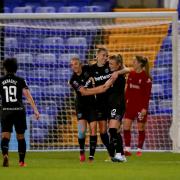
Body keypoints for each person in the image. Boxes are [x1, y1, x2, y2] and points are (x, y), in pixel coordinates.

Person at [0, 58, 40, 167]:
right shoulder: (20, 80)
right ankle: (21, 162)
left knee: (5, 136)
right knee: (20, 137)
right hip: (18, 111)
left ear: (5, 68)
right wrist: (35, 110)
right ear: (16, 68)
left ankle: (5, 156)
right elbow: (27, 95)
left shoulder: (0, 80)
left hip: (6, 111)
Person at [69, 57, 109, 162]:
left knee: (93, 129)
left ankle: (91, 156)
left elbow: (97, 66)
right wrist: (99, 89)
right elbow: (83, 92)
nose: (74, 67)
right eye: (72, 65)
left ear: (80, 64)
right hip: (81, 107)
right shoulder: (73, 80)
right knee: (82, 132)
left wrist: (101, 58)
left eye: (76, 64)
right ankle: (81, 151)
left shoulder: (87, 69)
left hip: (92, 105)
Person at [123, 56, 152, 157]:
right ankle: (127, 149)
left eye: (134, 61)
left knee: (141, 128)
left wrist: (145, 108)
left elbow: (147, 95)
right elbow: (128, 91)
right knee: (126, 126)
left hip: (140, 107)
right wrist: (124, 102)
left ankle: (139, 149)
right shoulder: (131, 74)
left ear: (140, 64)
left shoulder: (146, 78)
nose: (132, 63)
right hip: (130, 106)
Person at [107, 55, 127, 162]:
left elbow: (127, 69)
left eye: (111, 64)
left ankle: (119, 154)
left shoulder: (119, 76)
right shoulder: (111, 74)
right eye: (109, 63)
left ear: (118, 65)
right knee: (114, 131)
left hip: (118, 105)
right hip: (111, 105)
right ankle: (122, 155)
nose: (109, 66)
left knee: (113, 129)